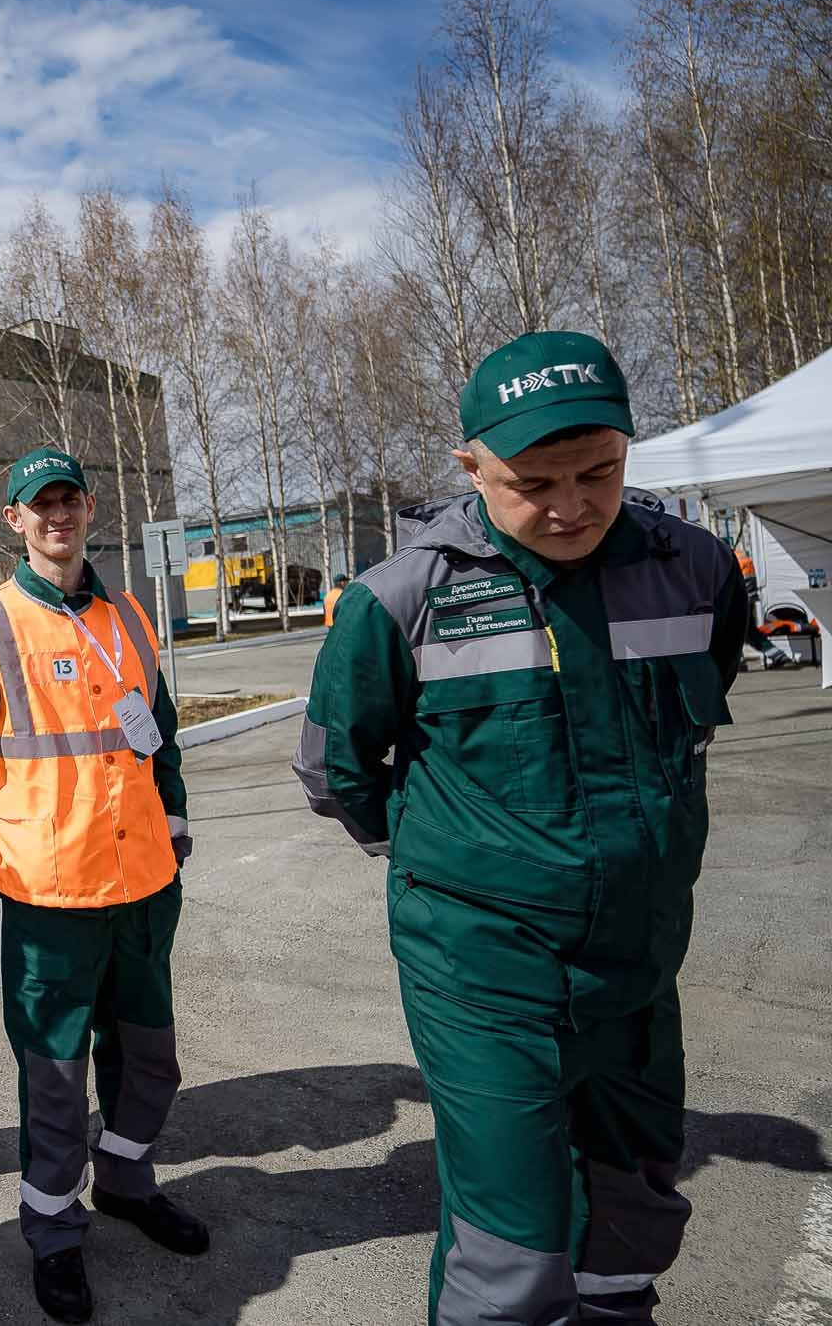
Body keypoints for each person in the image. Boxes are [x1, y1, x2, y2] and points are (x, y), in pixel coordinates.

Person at [294, 331, 748, 1326]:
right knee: (513, 1239)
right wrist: (448, 860)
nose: (569, 505)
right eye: (531, 482)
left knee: (634, 1199)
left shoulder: (697, 569)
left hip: (636, 958)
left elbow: (695, 706)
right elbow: (332, 770)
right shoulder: (396, 600)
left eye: (598, 473)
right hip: (479, 966)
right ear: (468, 467)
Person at [0, 447, 204, 1324]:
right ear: (13, 520)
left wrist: (179, 828)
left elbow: (158, 736)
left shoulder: (128, 614)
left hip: (144, 883)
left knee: (149, 1055)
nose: (57, 516)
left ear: (89, 507)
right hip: (52, 898)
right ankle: (52, 1229)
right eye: (39, 504)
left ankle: (125, 1178)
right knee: (53, 1075)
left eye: (70, 500)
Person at [733, 541, 795, 671]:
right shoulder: (740, 557)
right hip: (748, 601)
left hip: (738, 603)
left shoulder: (729, 560)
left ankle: (738, 663)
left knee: (735, 632)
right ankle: (779, 656)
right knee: (751, 634)